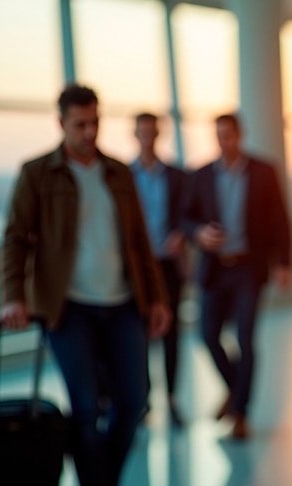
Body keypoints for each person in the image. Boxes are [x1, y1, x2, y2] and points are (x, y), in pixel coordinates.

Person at [0, 84, 171, 486]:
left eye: (95, 122)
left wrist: (158, 297)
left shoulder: (118, 172)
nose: (90, 132)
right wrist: (13, 295)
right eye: (80, 125)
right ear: (61, 124)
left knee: (134, 402)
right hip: (68, 309)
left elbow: (139, 240)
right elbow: (16, 237)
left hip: (123, 303)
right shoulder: (37, 173)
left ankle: (100, 482)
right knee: (87, 405)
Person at [182, 113, 292, 439]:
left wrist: (284, 263)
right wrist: (199, 233)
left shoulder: (263, 172)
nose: (224, 142)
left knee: (246, 339)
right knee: (207, 334)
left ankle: (241, 412)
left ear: (240, 135)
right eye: (219, 136)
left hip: (248, 267)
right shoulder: (201, 175)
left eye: (228, 135)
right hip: (215, 268)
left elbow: (280, 220)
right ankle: (235, 389)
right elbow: (185, 218)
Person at [131, 112, 189, 426]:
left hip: (168, 264)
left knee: (171, 332)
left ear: (159, 134)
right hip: (139, 267)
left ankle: (171, 398)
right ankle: (145, 398)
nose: (147, 138)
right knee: (139, 333)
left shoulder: (176, 176)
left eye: (152, 132)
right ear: (135, 135)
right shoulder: (125, 176)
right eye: (142, 132)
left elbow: (187, 214)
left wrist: (180, 233)